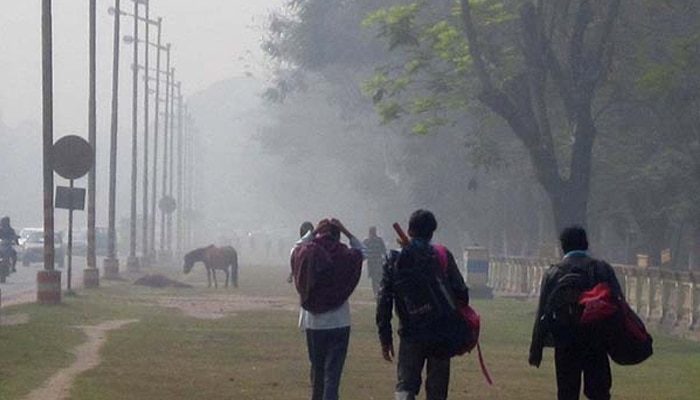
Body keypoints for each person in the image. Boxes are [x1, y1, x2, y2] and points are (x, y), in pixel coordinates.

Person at [376, 209, 470, 400]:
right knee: (437, 391)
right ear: (432, 232)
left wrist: (385, 337)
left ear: (409, 230)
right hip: (441, 331)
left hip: (411, 332)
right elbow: (462, 292)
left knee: (405, 387)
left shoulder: (395, 259)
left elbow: (384, 300)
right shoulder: (442, 255)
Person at [528, 225, 624, 400]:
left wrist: (536, 349)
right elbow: (619, 305)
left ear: (562, 246)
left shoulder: (554, 272)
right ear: (586, 244)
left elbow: (542, 312)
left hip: (565, 341)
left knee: (567, 392)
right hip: (596, 340)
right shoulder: (601, 269)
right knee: (599, 392)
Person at [290, 218, 366, 400]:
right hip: (339, 323)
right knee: (332, 376)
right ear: (337, 235)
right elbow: (363, 252)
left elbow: (294, 250)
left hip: (314, 324)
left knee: (318, 372)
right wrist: (347, 232)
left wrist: (313, 232)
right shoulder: (345, 255)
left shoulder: (307, 253)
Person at [363, 226, 387, 298]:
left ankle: (378, 292)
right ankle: (376, 293)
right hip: (372, 263)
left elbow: (384, 250)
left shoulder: (379, 240)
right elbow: (364, 251)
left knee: (378, 278)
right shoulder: (367, 241)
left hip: (377, 262)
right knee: (374, 279)